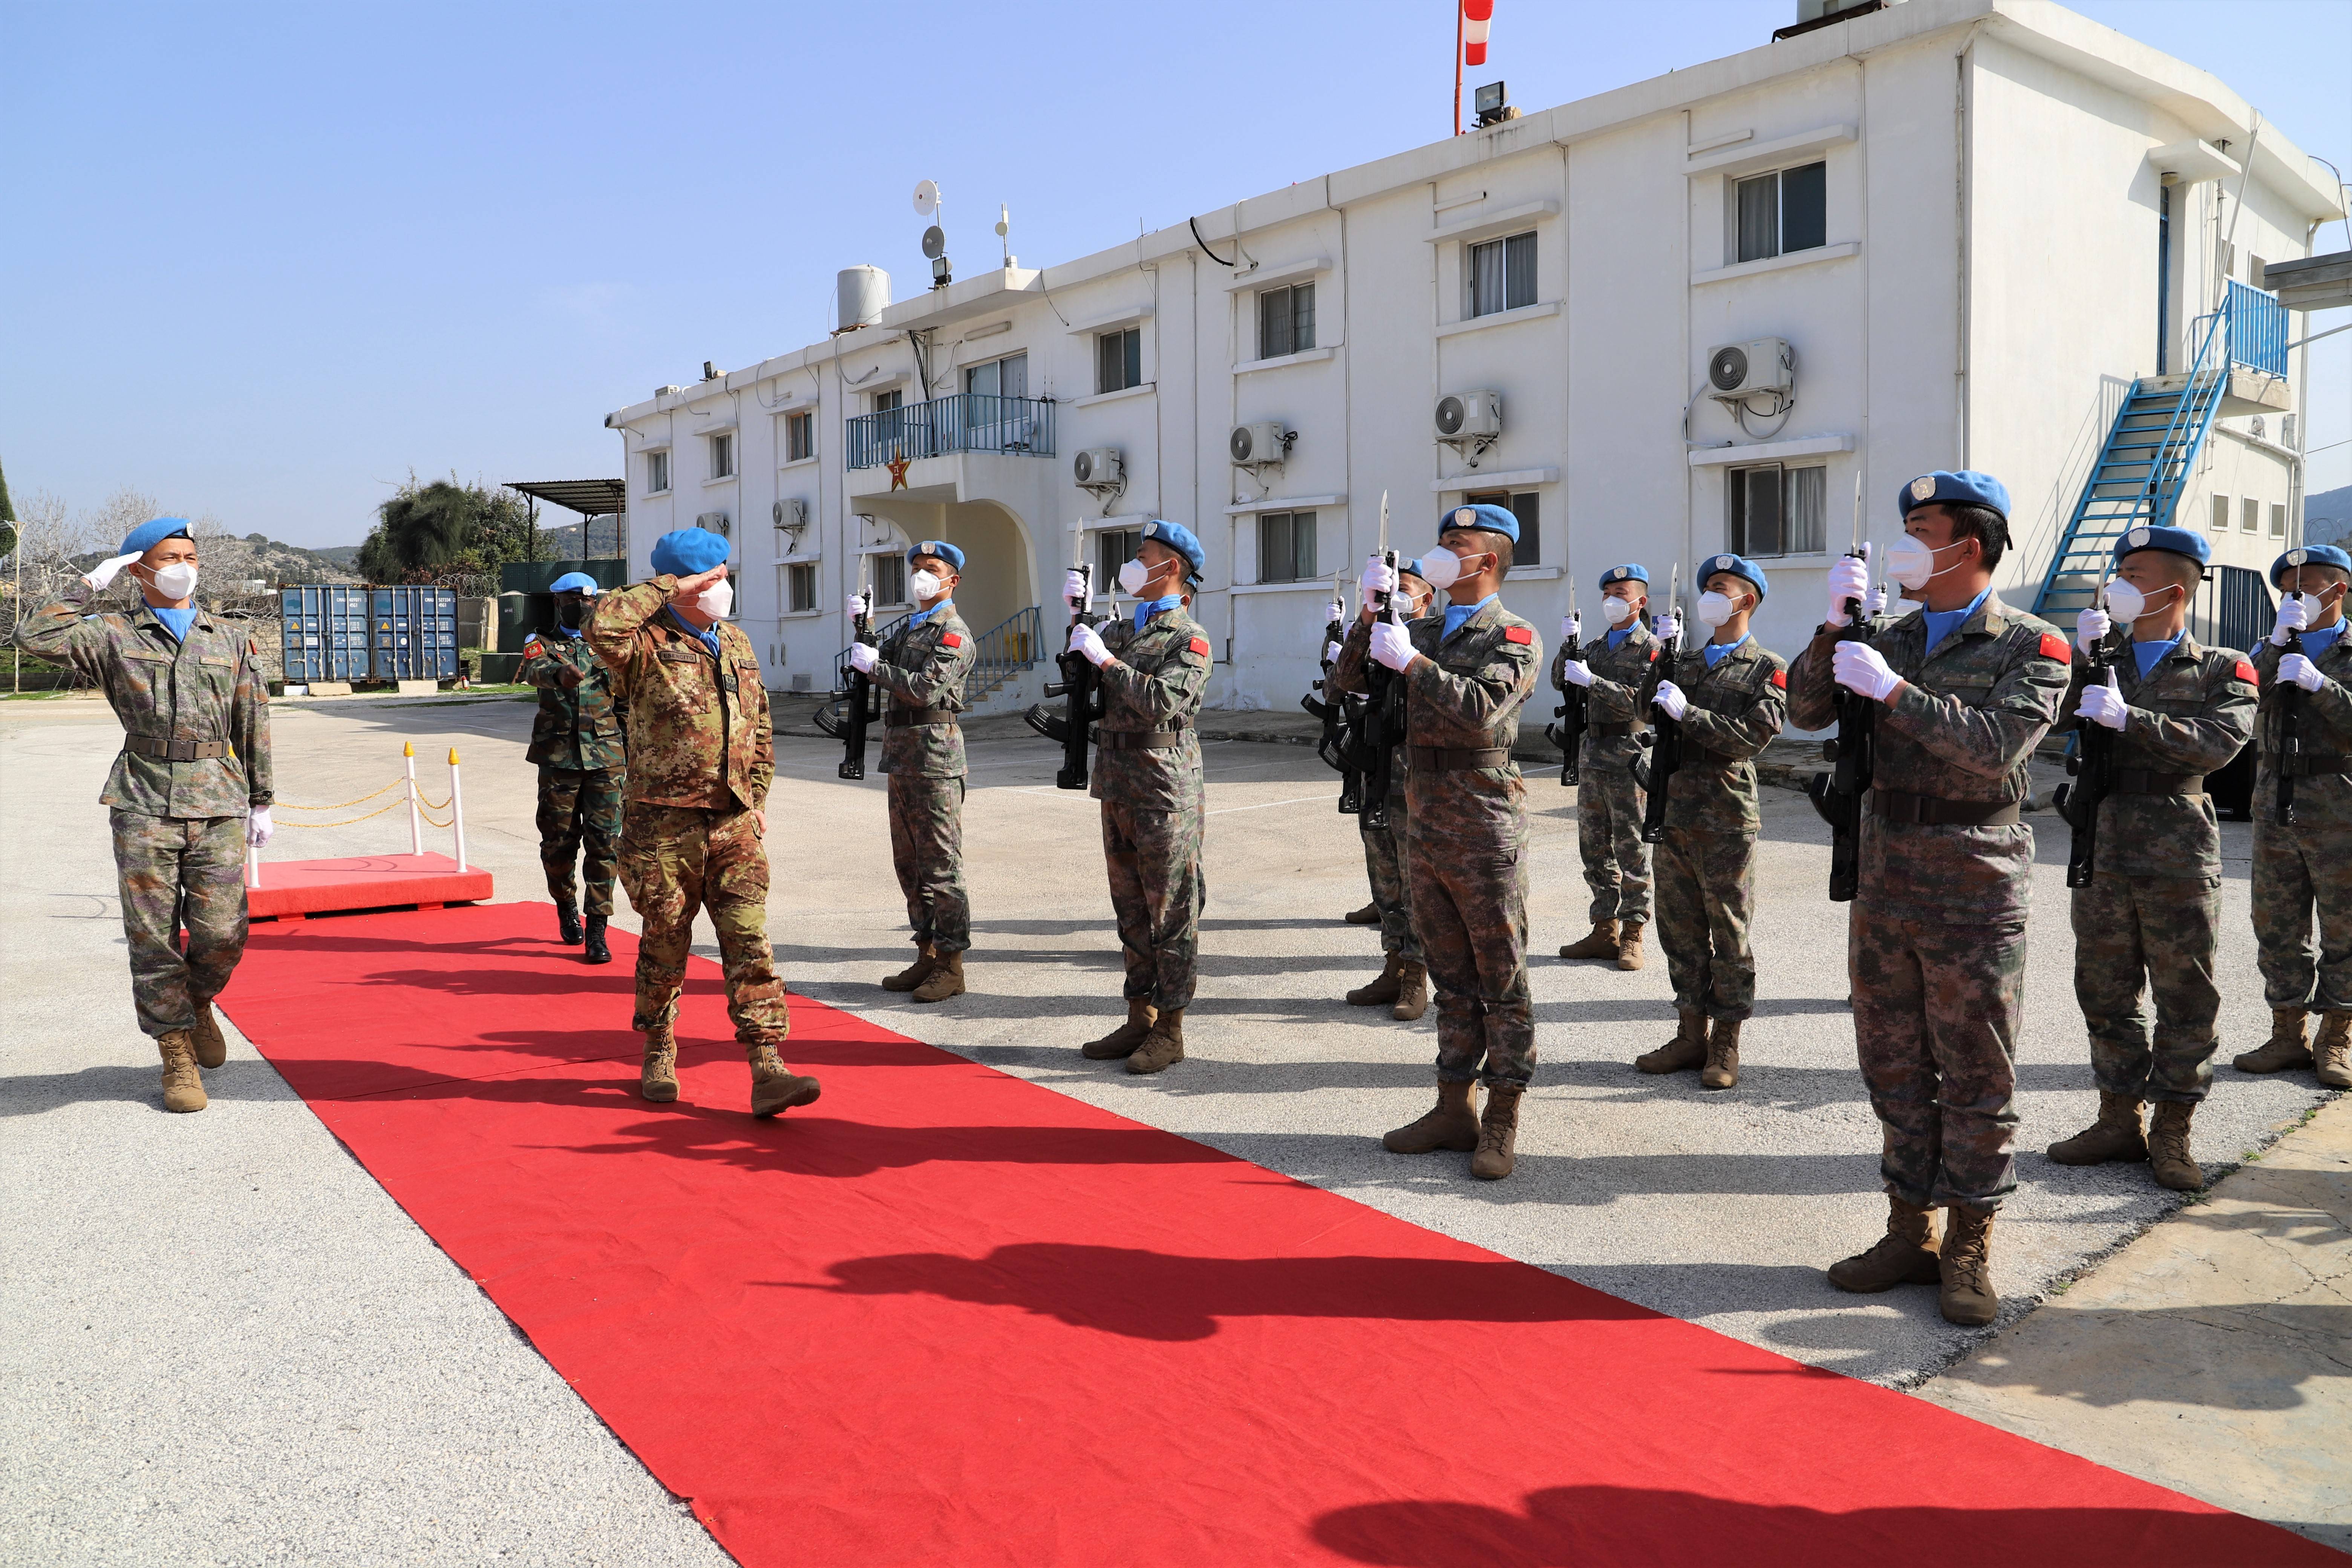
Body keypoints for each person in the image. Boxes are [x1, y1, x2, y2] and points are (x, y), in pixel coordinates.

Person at [1785, 471, 2070, 1326]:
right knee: (1895, 1065)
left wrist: (1893, 693)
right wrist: (1832, 630)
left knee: (1975, 1074)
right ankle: (1907, 1228)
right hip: (1885, 879)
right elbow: (1803, 709)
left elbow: (1991, 749)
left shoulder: (2036, 644)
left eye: (1920, 527)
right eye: (1901, 526)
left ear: (1967, 545)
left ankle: (1969, 1242)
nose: (1902, 542)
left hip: (1973, 881)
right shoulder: (1888, 636)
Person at [15, 517, 273, 1113]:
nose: (184, 565)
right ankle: (175, 1049)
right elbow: (32, 636)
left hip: (218, 798)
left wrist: (262, 797)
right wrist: (89, 584)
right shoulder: (110, 634)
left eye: (190, 555)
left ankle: (197, 1002)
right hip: (144, 797)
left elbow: (253, 718)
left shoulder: (229, 637)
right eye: (169, 556)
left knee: (224, 932)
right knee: (152, 937)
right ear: (139, 569)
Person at [2043, 526, 2258, 1188]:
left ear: (2177, 587)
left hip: (2177, 844)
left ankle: (2173, 1130)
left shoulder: (2223, 666)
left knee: (2185, 993)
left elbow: (2222, 743)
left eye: (2134, 574)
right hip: (2102, 841)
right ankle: (2117, 1119)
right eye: (2120, 572)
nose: (2119, 584)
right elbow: (2048, 719)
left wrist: (2134, 721)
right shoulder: (2105, 658)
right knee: (2105, 989)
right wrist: (2078, 662)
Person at [1334, 503, 1541, 1180]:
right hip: (1422, 819)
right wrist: (1370, 615)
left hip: (1483, 824)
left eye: (1461, 543)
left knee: (1499, 977)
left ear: (1490, 560)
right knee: (1451, 976)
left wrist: (1416, 664)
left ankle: (1504, 1114)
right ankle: (1455, 1104)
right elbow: (1349, 679)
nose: (1445, 550)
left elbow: (1483, 707)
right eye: (1443, 540)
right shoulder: (1416, 624)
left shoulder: (1516, 633)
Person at [586, 527, 818, 1118]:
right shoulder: (641, 646)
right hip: (662, 826)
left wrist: (757, 795)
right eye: (713, 579)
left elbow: (759, 723)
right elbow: (602, 625)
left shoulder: (734, 641)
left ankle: (767, 1063)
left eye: (723, 576)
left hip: (733, 821)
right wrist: (672, 585)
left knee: (749, 938)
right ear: (685, 585)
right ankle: (660, 1045)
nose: (724, 588)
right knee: (667, 939)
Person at [1065, 520, 1213, 1074]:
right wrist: (1076, 624)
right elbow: (1084, 687)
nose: (1132, 563)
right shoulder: (1124, 630)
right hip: (1118, 783)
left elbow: (1161, 702)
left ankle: (1171, 1028)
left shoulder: (1188, 637)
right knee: (1129, 910)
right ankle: (1139, 1015)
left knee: (1171, 911)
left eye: (1142, 555)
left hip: (1161, 788)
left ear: (1169, 566)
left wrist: (1106, 659)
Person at [1635, 555, 1787, 1089]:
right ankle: (1689, 1032)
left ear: (1746, 600)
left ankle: (1726, 1041)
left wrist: (1690, 715)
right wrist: (1659, 659)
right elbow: (1640, 709)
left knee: (1729, 931)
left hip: (1725, 816)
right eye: (1707, 588)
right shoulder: (1686, 661)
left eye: (1721, 588)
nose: (1709, 595)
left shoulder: (1767, 667)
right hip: (1673, 809)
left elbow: (1752, 735)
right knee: (1679, 928)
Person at [2234, 542, 2352, 1089]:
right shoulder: (2272, 647)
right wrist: (2276, 646)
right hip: (2275, 805)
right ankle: (2287, 1033)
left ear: (2338, 589)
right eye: (2286, 591)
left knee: (2345, 927)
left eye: (2305, 589)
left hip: (2340, 809)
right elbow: (2238, 701)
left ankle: (2337, 1036)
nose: (2295, 598)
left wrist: (2321, 686)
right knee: (2277, 926)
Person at [847, 539, 979, 1003]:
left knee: (941, 866)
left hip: (935, 759)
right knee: (911, 865)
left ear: (952, 580)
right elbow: (876, 658)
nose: (921, 574)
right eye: (917, 567)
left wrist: (877, 668)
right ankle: (925, 953)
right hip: (902, 757)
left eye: (932, 568)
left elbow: (924, 689)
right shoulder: (912, 629)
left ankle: (952, 964)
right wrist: (863, 624)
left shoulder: (953, 633)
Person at [518, 571, 626, 965]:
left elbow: (626, 702)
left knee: (605, 844)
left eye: (586, 600)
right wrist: (558, 674)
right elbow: (534, 670)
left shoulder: (611, 645)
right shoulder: (540, 641)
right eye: (570, 599)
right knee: (559, 844)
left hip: (607, 761)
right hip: (559, 757)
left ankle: (597, 928)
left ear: (595, 602)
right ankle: (565, 903)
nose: (579, 605)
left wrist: (629, 751)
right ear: (558, 601)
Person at [1344, 559, 1435, 1023]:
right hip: (1375, 771)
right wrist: (1366, 617)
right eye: (1387, 588)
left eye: (1404, 588)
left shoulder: (1434, 636)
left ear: (1426, 596)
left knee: (1414, 881)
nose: (1394, 594)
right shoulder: (1375, 631)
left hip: (1415, 778)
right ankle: (1394, 962)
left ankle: (1418, 974)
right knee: (1384, 878)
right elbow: (1344, 679)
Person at [1555, 564, 1659, 970]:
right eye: (1607, 593)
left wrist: (1593, 682)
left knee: (1631, 846)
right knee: (1594, 848)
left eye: (1621, 592)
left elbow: (1644, 703)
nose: (1612, 599)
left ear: (1640, 601)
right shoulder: (1595, 646)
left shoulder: (1652, 648)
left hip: (1627, 754)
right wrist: (1569, 646)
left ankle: (1633, 932)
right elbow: (1559, 680)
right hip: (1593, 753)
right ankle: (1604, 929)